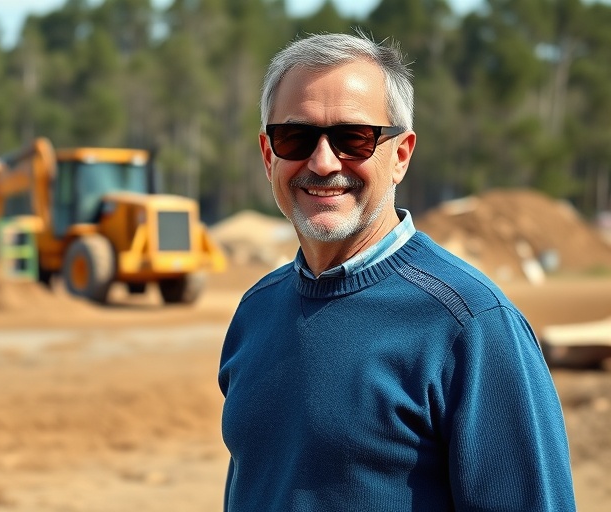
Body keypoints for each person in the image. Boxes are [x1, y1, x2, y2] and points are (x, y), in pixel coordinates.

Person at [218, 31, 576, 511]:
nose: (323, 162)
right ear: (269, 155)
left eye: (353, 138)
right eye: (296, 137)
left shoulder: (472, 325)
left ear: (400, 156)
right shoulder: (256, 311)